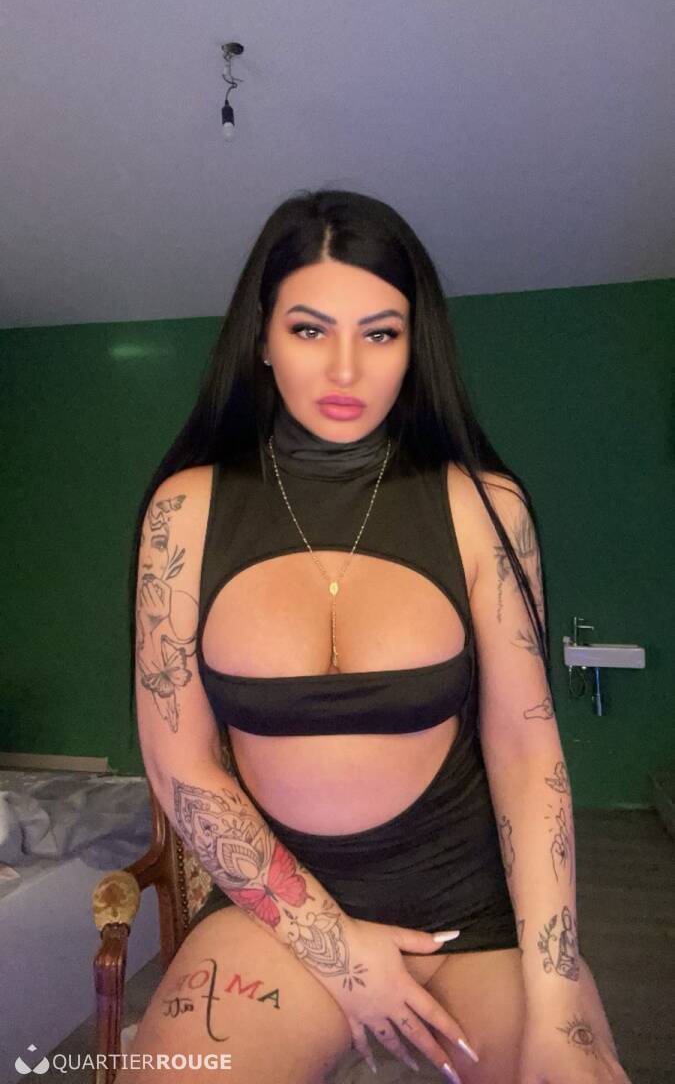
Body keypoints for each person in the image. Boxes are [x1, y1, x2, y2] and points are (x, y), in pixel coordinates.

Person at [118, 190, 630, 1084]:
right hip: (282, 922)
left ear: (413, 344)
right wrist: (342, 953)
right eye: (309, 330)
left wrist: (555, 1000)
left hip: (476, 919)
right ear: (262, 339)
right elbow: (181, 765)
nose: (346, 368)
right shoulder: (184, 514)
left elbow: (525, 752)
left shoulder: (482, 508)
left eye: (381, 333)